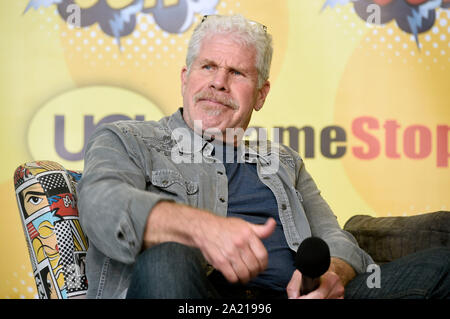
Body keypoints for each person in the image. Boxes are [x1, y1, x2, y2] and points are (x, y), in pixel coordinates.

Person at [77, 14, 450, 299]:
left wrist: (334, 274)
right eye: (208, 67)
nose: (219, 82)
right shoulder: (129, 139)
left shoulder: (284, 160)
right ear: (185, 77)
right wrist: (202, 228)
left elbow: (332, 235)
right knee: (166, 259)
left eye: (236, 72)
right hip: (203, 296)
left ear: (260, 94)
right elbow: (100, 204)